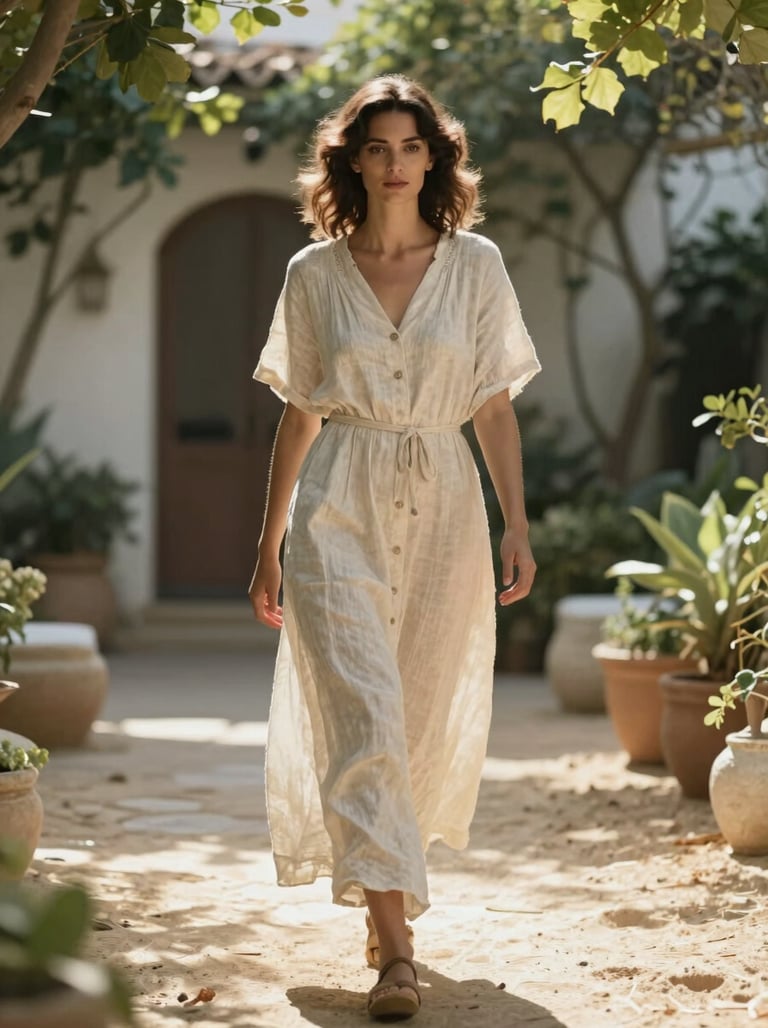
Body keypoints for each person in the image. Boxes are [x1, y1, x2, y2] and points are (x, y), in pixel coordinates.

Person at [249, 74, 541, 1022]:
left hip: (449, 509)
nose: (394, 163)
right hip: (339, 508)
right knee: (365, 719)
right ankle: (399, 957)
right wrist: (269, 543)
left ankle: (382, 904)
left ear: (435, 158)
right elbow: (299, 414)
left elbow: (493, 405)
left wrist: (518, 524)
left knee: (411, 726)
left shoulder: (478, 266)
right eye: (376, 147)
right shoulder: (313, 276)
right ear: (352, 160)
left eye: (411, 146)